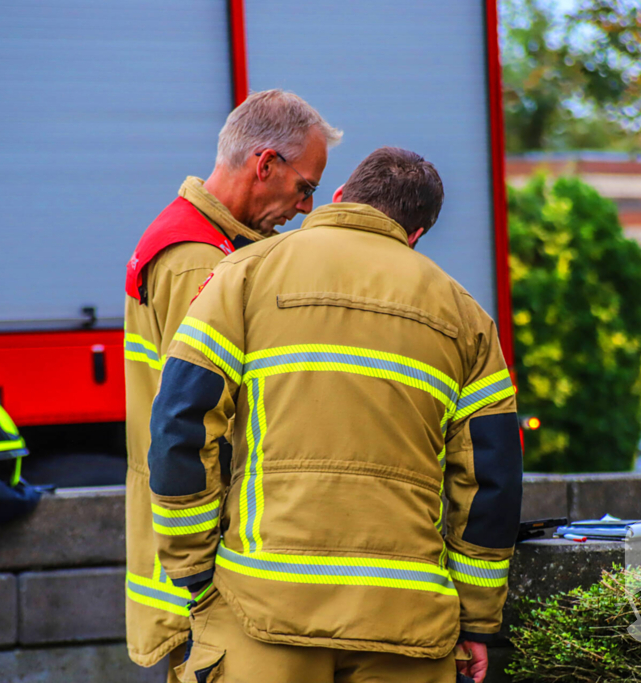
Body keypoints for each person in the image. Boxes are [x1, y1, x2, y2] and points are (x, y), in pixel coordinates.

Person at [148, 147, 522, 682]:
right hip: (407, 622)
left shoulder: (244, 274)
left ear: (342, 197)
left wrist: (194, 569)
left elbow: (181, 419)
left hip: (262, 607)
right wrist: (477, 620)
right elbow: (491, 479)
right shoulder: (468, 319)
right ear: (416, 235)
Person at [123, 90, 342, 681]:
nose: (306, 207)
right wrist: (203, 574)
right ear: (265, 164)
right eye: (305, 188)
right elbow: (195, 426)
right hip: (206, 584)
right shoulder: (201, 262)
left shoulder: (208, 243)